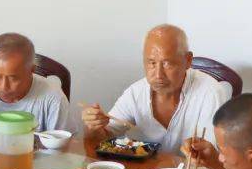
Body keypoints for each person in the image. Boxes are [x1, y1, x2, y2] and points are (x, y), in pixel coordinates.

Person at [81, 24, 232, 155]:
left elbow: (215, 157)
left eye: (167, 64)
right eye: (152, 63)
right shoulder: (136, 93)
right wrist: (93, 127)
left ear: (187, 61)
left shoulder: (211, 93)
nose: (158, 75)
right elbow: (102, 140)